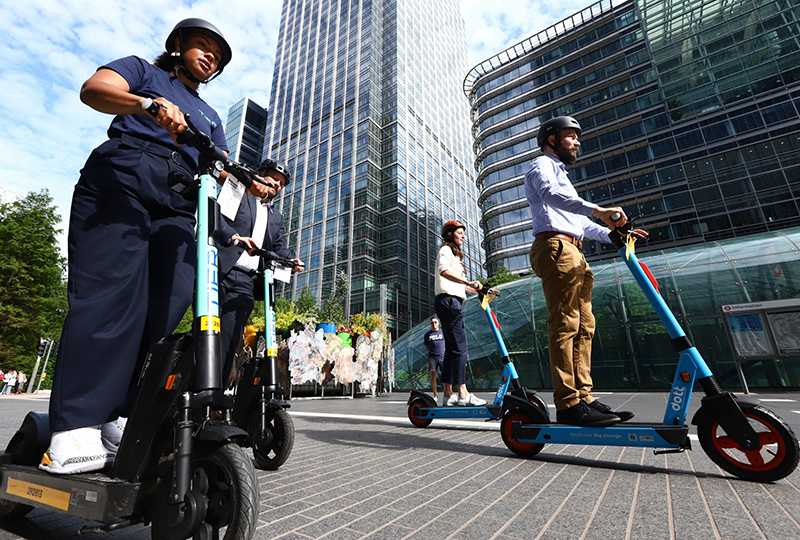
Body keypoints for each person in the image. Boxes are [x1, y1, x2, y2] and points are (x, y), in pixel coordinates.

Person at [41, 19, 258, 475]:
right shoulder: (145, 72)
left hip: (179, 201)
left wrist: (245, 182)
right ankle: (76, 425)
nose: (209, 56)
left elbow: (219, 169)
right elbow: (94, 89)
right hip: (125, 175)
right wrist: (148, 104)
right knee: (111, 296)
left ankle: (118, 416)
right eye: (203, 46)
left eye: (216, 55)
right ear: (178, 46)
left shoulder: (211, 117)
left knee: (165, 309)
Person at [525, 115, 635, 426]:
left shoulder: (564, 178)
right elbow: (549, 195)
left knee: (585, 326)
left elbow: (582, 225)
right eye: (571, 136)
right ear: (551, 139)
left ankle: (584, 396)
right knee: (565, 324)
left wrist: (612, 234)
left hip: (574, 249)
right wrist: (598, 210)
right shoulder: (541, 166)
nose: (577, 141)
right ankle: (568, 404)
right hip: (556, 248)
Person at [216, 159, 304, 386]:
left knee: (230, 340)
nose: (277, 184)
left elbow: (279, 249)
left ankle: (214, 397)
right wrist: (233, 237)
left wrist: (291, 261)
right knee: (205, 331)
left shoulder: (277, 217)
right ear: (260, 174)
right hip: (218, 270)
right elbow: (217, 217)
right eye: (274, 178)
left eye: (282, 183)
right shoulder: (239, 193)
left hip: (246, 282)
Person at [434, 221, 487, 407]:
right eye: (459, 233)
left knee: (451, 349)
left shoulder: (456, 256)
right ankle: (463, 393)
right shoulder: (446, 251)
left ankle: (448, 394)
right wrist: (468, 282)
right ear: (450, 234)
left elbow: (461, 285)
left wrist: (478, 289)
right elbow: (443, 271)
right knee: (460, 347)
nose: (463, 236)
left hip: (451, 301)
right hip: (448, 301)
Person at [423, 317, 445, 401]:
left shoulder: (442, 332)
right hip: (432, 357)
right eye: (432, 322)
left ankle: (447, 393)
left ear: (438, 323)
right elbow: (427, 347)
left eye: (435, 322)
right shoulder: (427, 335)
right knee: (433, 375)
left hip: (442, 356)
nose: (434, 324)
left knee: (445, 375)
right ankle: (435, 395)